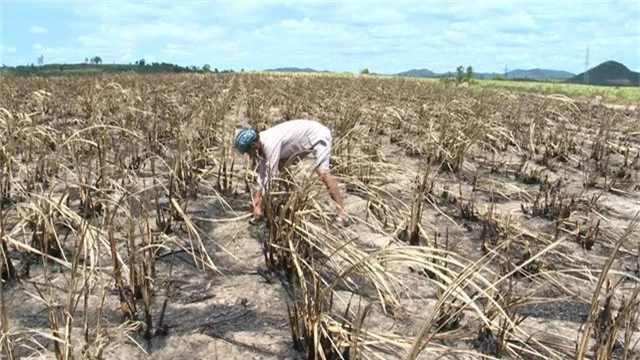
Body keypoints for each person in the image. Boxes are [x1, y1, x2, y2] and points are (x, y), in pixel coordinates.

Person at [234, 119, 351, 227]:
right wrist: (257, 197)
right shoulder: (261, 144)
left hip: (318, 135)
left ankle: (343, 214)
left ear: (254, 145)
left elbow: (270, 177)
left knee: (322, 171)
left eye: (248, 152)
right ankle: (294, 196)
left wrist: (260, 206)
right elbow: (262, 173)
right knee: (280, 163)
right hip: (304, 138)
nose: (249, 155)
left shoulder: (269, 144)